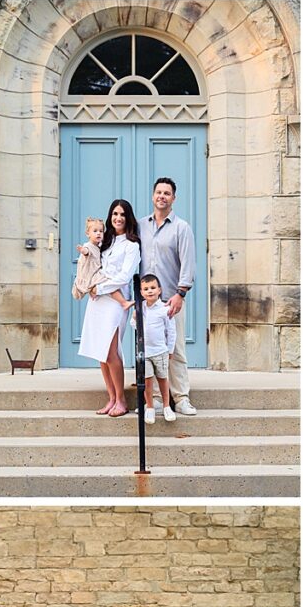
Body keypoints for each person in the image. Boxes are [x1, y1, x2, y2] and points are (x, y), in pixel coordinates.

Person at [138, 176, 197, 416]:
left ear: (174, 198)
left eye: (167, 193)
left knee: (175, 350)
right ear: (153, 196)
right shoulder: (140, 225)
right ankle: (155, 400)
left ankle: (180, 397)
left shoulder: (181, 227)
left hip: (170, 300)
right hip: (146, 303)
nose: (162, 196)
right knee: (150, 351)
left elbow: (188, 263)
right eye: (158, 192)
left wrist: (180, 294)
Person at [77, 199, 141, 418]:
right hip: (97, 301)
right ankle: (111, 398)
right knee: (100, 353)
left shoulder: (132, 246)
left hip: (115, 301)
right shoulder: (105, 242)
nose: (118, 218)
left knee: (112, 351)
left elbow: (124, 276)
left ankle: (122, 400)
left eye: (122, 214)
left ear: (128, 217)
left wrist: (100, 287)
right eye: (114, 213)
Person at [133, 275, 177, 425]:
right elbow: (136, 327)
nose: (150, 291)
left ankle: (166, 406)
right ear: (141, 292)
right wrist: (134, 317)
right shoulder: (141, 307)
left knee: (163, 379)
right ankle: (150, 407)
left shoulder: (165, 309)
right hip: (145, 352)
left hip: (160, 351)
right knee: (147, 380)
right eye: (146, 289)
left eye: (153, 288)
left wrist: (170, 350)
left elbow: (171, 332)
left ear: (159, 290)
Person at [73, 217, 136, 311]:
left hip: (96, 274)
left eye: (101, 231)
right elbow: (87, 252)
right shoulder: (88, 246)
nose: (98, 233)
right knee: (109, 283)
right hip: (92, 275)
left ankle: (121, 301)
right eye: (95, 231)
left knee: (109, 284)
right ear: (87, 233)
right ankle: (124, 303)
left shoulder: (100, 245)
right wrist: (83, 250)